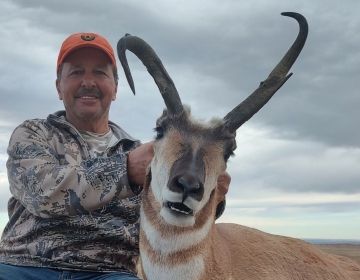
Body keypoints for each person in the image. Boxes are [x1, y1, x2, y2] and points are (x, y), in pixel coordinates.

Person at [0, 32, 230, 280]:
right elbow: (41, 193)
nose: (88, 82)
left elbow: (168, 219)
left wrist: (211, 197)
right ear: (58, 87)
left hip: (108, 273)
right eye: (76, 72)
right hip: (23, 266)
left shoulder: (145, 155)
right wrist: (126, 171)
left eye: (100, 72)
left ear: (115, 88)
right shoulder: (33, 134)